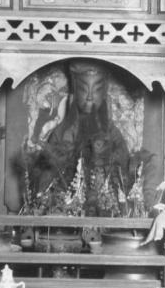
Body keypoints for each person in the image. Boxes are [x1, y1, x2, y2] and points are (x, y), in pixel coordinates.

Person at [23, 59, 138, 216]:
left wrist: (107, 162)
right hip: (67, 211)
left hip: (104, 209)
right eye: (84, 89)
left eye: (96, 90)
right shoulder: (62, 133)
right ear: (76, 93)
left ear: (104, 93)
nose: (90, 96)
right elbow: (45, 177)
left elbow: (125, 173)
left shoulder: (113, 134)